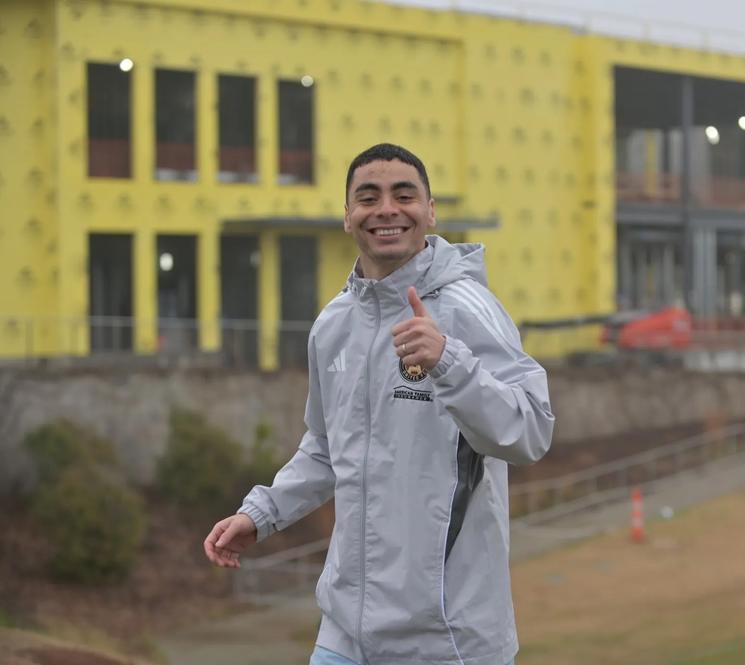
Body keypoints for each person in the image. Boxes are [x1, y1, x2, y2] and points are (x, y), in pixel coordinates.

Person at [204, 143, 555, 665]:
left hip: (445, 639)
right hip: (344, 634)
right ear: (347, 216)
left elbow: (531, 432)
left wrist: (448, 363)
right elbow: (326, 447)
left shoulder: (468, 308)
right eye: (368, 197)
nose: (386, 209)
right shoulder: (333, 325)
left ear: (430, 211)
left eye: (404, 194)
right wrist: (263, 513)